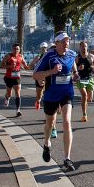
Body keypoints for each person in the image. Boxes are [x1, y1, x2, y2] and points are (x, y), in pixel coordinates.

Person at [33, 32, 79, 171]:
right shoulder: (49, 56)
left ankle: (67, 158)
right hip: (51, 95)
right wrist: (52, 71)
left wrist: (76, 74)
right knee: (50, 123)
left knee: (67, 122)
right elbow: (35, 74)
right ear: (57, 43)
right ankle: (46, 143)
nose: (67, 44)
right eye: (64, 41)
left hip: (67, 93)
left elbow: (73, 68)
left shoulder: (71, 54)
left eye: (68, 41)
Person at [2, 43, 29, 117]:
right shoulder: (8, 56)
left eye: (17, 49)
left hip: (17, 77)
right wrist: (9, 66)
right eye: (14, 49)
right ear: (12, 49)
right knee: (9, 94)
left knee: (18, 92)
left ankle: (18, 110)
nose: (16, 50)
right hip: (8, 77)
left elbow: (26, 65)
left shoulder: (21, 56)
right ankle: (7, 98)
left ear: (19, 50)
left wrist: (29, 66)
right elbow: (2, 65)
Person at [75, 41, 94, 122]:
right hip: (80, 79)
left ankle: (84, 103)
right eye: (82, 46)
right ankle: (84, 114)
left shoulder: (91, 56)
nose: (84, 48)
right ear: (80, 48)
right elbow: (73, 68)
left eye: (85, 46)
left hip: (89, 78)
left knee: (89, 99)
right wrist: (78, 68)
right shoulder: (77, 58)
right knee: (84, 95)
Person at [31, 42, 50, 110]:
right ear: (40, 49)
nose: (44, 49)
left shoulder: (49, 57)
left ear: (47, 48)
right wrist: (35, 66)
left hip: (47, 76)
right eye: (42, 48)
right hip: (39, 76)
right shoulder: (38, 57)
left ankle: (47, 106)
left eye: (45, 48)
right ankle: (38, 101)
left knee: (47, 92)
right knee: (39, 92)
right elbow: (32, 64)